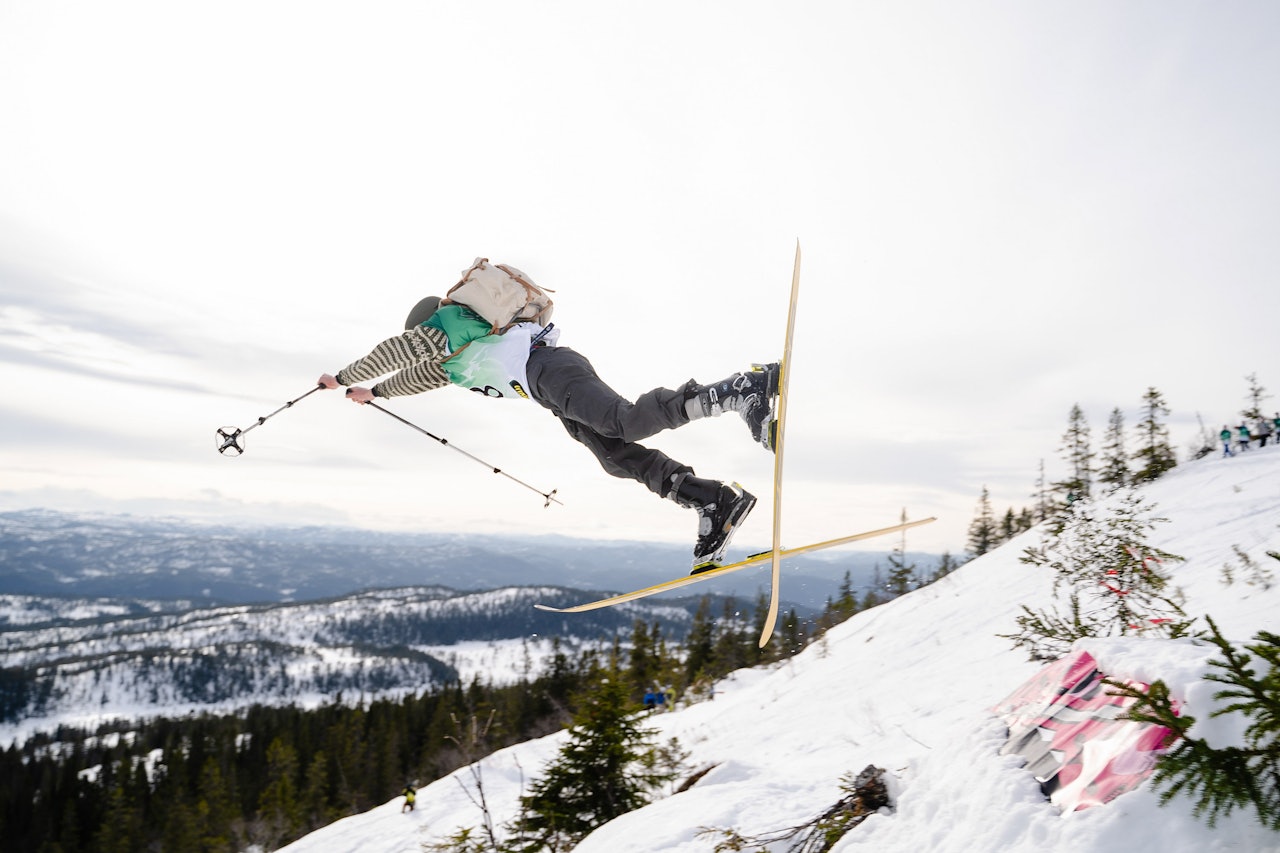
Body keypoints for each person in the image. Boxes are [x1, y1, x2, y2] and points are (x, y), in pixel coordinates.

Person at [318, 262, 779, 570]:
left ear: (429, 322)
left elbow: (398, 351)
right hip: (545, 388)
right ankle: (712, 500)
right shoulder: (457, 361)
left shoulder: (448, 326)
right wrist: (374, 391)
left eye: (422, 336)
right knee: (614, 454)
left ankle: (738, 390)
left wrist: (342, 376)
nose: (422, 344)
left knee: (622, 422)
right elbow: (418, 378)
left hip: (549, 370)